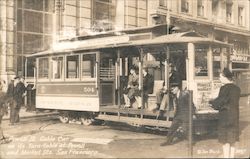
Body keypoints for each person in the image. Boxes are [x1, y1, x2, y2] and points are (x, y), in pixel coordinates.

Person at [209, 68, 241, 158]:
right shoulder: (237, 89)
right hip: (234, 117)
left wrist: (211, 102)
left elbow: (220, 102)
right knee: (233, 140)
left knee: (225, 141)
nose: (219, 78)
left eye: (220, 76)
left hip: (225, 118)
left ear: (224, 77)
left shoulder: (224, 88)